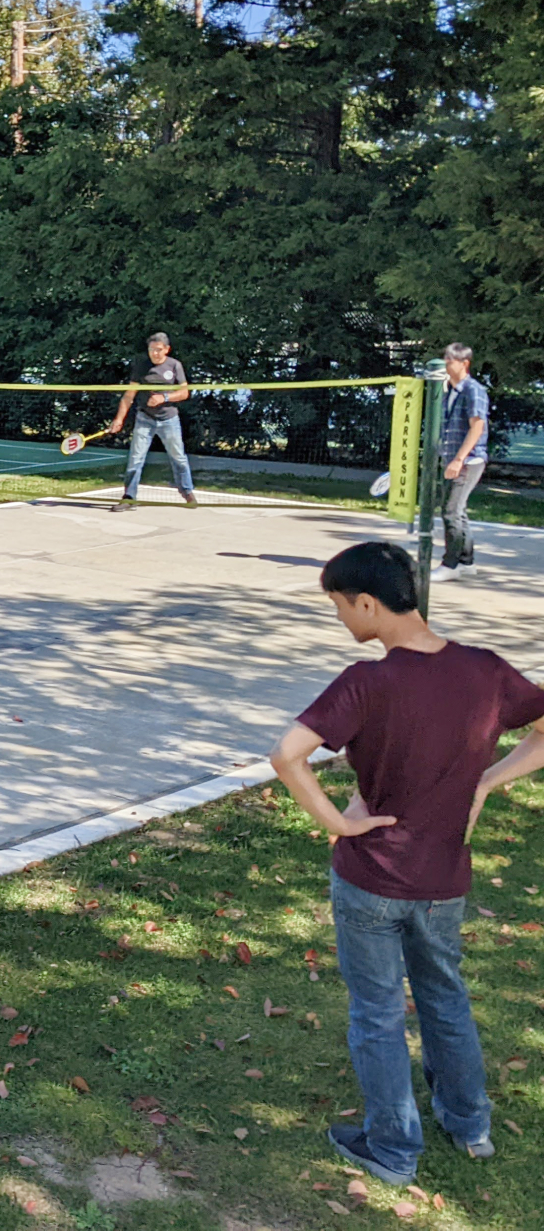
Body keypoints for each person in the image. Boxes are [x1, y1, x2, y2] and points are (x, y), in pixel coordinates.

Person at [270, 541, 544, 1186]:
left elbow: (287, 756)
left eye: (338, 606)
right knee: (446, 998)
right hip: (444, 878)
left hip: (372, 879)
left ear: (366, 603)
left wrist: (340, 824)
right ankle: (470, 1127)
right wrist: (485, 781)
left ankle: (393, 1149)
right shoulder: (485, 671)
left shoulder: (367, 680)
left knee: (378, 1013)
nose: (341, 618)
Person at [107, 331, 196, 511]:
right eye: (151, 350)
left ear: (166, 350)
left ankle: (187, 492)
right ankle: (129, 497)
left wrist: (163, 398)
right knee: (135, 458)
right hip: (145, 418)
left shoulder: (175, 366)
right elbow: (129, 395)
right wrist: (119, 419)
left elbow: (184, 393)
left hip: (169, 419)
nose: (154, 353)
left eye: (158, 350)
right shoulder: (141, 366)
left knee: (178, 457)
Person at [433, 342, 488, 583]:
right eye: (445, 359)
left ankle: (451, 564)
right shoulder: (450, 391)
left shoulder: (473, 390)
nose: (446, 364)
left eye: (450, 360)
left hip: (469, 460)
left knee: (451, 512)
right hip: (455, 459)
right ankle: (467, 562)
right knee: (459, 511)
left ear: (464, 363)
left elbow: (477, 426)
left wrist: (458, 459)